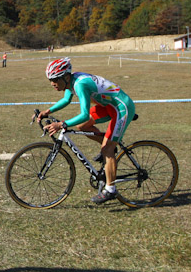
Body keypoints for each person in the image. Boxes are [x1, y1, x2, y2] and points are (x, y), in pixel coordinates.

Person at [36, 58, 136, 204]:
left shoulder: (80, 84)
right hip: (107, 105)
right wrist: (47, 111)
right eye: (51, 80)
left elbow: (83, 114)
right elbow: (66, 100)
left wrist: (62, 124)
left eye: (55, 79)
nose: (53, 83)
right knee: (82, 126)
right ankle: (108, 148)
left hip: (121, 107)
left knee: (107, 148)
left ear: (66, 76)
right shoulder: (71, 82)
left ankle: (110, 189)